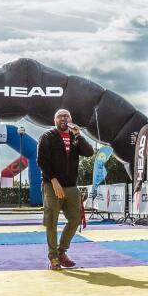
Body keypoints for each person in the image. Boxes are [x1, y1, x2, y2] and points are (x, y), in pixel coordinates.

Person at [36, 108, 94, 270]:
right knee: (52, 222)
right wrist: (53, 181)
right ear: (54, 120)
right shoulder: (47, 137)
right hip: (52, 185)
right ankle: (53, 257)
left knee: (75, 219)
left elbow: (89, 152)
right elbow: (41, 161)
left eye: (66, 115)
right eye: (59, 116)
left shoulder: (74, 138)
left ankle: (62, 252)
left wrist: (78, 135)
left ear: (70, 119)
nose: (63, 118)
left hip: (71, 186)